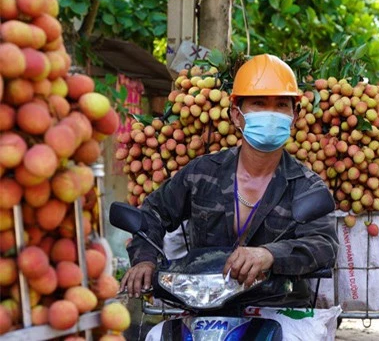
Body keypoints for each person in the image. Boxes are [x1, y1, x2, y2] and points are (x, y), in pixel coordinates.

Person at [119, 54, 339, 309]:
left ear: (295, 115)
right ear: (236, 115)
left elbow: (323, 244)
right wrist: (145, 259)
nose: (270, 114)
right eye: (258, 103)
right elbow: (153, 212)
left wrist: (269, 254)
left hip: (279, 308)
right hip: (202, 307)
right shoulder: (202, 174)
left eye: (281, 105)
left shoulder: (307, 186)